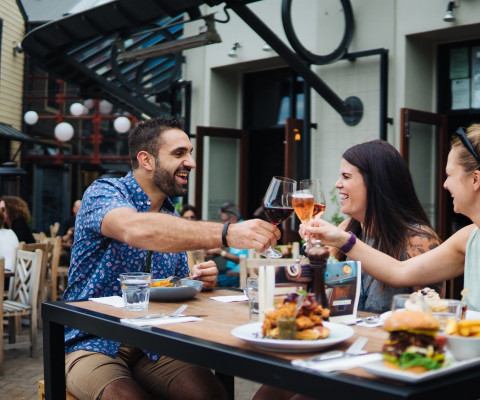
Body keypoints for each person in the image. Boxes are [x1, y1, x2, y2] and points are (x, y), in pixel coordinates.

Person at [306, 118, 480, 399]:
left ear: (475, 180)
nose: (445, 184)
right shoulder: (472, 237)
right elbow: (399, 272)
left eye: (449, 175)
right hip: (475, 378)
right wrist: (342, 240)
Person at [62, 117, 280, 400]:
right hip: (92, 340)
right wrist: (227, 233)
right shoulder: (104, 193)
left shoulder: (171, 217)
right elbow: (136, 229)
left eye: (190, 153)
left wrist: (199, 280)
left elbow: (174, 283)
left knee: (212, 395)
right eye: (179, 153)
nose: (191, 162)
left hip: (154, 343)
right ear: (146, 159)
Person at [253, 140, 442, 400]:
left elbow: (432, 318)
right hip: (340, 347)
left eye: (346, 176)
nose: (336, 184)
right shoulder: (346, 229)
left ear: (376, 183)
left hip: (383, 361)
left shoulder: (419, 240)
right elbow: (312, 293)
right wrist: (314, 255)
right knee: (267, 393)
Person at [206, 202, 248, 287]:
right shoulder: (235, 230)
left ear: (234, 218)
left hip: (239, 274)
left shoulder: (244, 230)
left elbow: (242, 260)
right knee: (206, 278)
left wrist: (220, 252)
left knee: (209, 283)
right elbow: (231, 250)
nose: (223, 224)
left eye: (225, 221)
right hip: (230, 271)